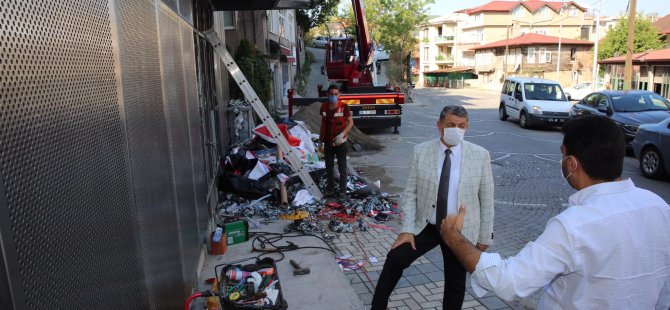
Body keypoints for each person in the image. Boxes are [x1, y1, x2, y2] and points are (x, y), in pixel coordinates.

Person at [440, 115, 670, 309]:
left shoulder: (574, 225)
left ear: (572, 163)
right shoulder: (659, 207)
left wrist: (454, 238)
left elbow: (508, 281)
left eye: (563, 154)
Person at [371, 105, 494, 309]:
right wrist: (407, 230)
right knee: (396, 257)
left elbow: (487, 199)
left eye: (462, 126)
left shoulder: (480, 155)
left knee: (455, 282)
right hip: (427, 225)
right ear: (440, 125)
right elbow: (411, 193)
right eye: (451, 125)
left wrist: (484, 238)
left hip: (459, 231)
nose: (457, 130)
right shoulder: (421, 151)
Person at [318, 84, 353, 199]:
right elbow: (323, 124)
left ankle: (342, 191)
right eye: (331, 94)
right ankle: (330, 189)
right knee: (329, 168)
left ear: (339, 95)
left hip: (340, 143)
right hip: (328, 143)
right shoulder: (323, 107)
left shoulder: (344, 107)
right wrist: (320, 141)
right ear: (327, 95)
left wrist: (342, 134)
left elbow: (351, 123)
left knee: (342, 168)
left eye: (335, 94)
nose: (333, 96)